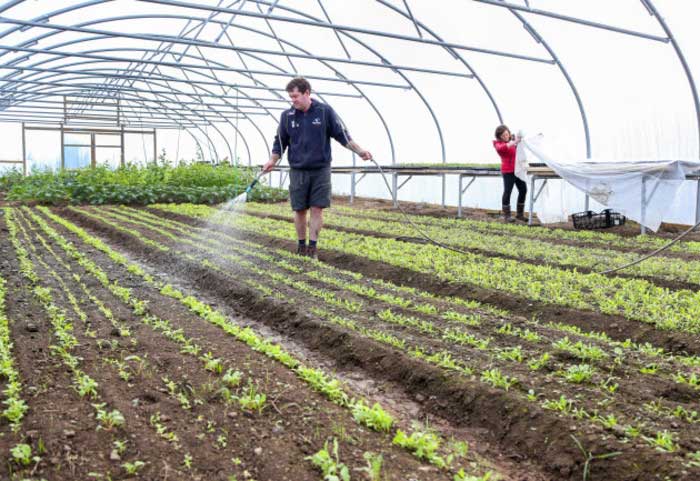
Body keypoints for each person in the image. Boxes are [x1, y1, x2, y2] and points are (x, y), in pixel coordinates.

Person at [263, 77, 372, 259]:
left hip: (320, 168)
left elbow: (342, 135)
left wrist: (360, 151)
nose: (293, 100)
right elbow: (280, 143)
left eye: (296, 96)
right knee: (299, 209)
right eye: (291, 97)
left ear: (307, 93)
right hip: (298, 169)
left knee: (317, 208)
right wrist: (271, 160)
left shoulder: (324, 112)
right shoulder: (287, 116)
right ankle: (301, 246)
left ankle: (312, 248)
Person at [493, 125, 527, 222]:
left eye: (507, 134)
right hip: (508, 171)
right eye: (503, 136)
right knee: (508, 191)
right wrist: (514, 142)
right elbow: (502, 148)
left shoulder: (512, 141)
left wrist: (517, 140)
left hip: (517, 170)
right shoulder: (498, 144)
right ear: (499, 137)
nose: (506, 136)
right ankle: (507, 215)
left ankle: (520, 214)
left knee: (523, 189)